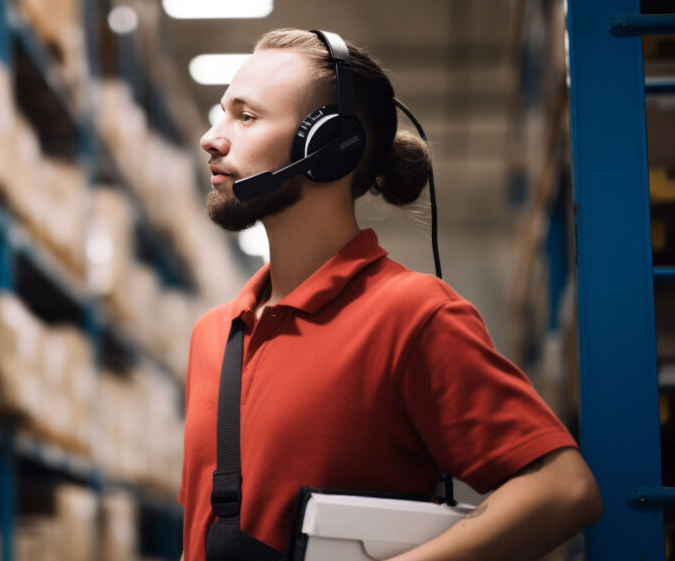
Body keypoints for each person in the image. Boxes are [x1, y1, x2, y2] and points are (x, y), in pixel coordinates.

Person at [178, 28, 603, 561]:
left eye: (246, 116)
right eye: (222, 113)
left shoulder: (413, 316)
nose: (211, 137)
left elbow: (563, 488)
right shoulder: (214, 335)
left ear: (330, 147)